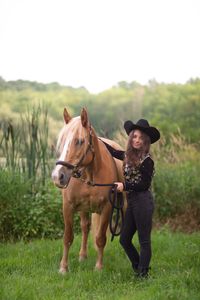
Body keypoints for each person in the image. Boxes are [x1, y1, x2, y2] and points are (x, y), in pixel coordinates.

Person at [105, 119, 160, 278]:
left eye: (141, 138)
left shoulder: (147, 160)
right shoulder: (129, 156)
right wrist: (97, 140)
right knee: (124, 239)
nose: (137, 140)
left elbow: (144, 184)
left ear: (146, 141)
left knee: (144, 241)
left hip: (143, 201)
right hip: (133, 202)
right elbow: (114, 152)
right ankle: (139, 268)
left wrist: (124, 186)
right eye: (134, 136)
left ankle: (143, 274)